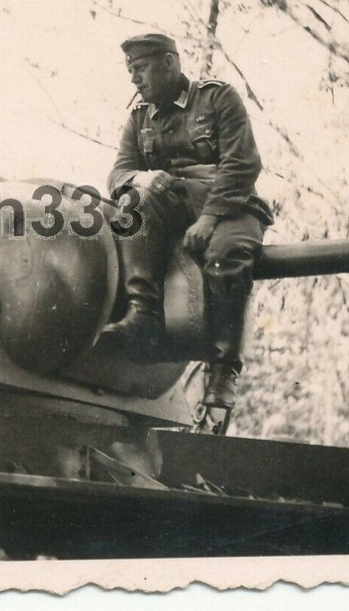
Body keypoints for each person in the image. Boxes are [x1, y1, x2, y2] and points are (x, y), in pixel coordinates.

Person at [101, 33, 274, 414]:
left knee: (226, 254)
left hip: (231, 205)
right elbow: (118, 174)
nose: (134, 79)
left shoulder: (216, 98)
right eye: (130, 70)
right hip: (172, 204)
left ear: (169, 63)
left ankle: (223, 367)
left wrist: (211, 217)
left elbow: (242, 163)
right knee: (129, 206)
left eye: (141, 68)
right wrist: (144, 179)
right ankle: (142, 314)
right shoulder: (139, 117)